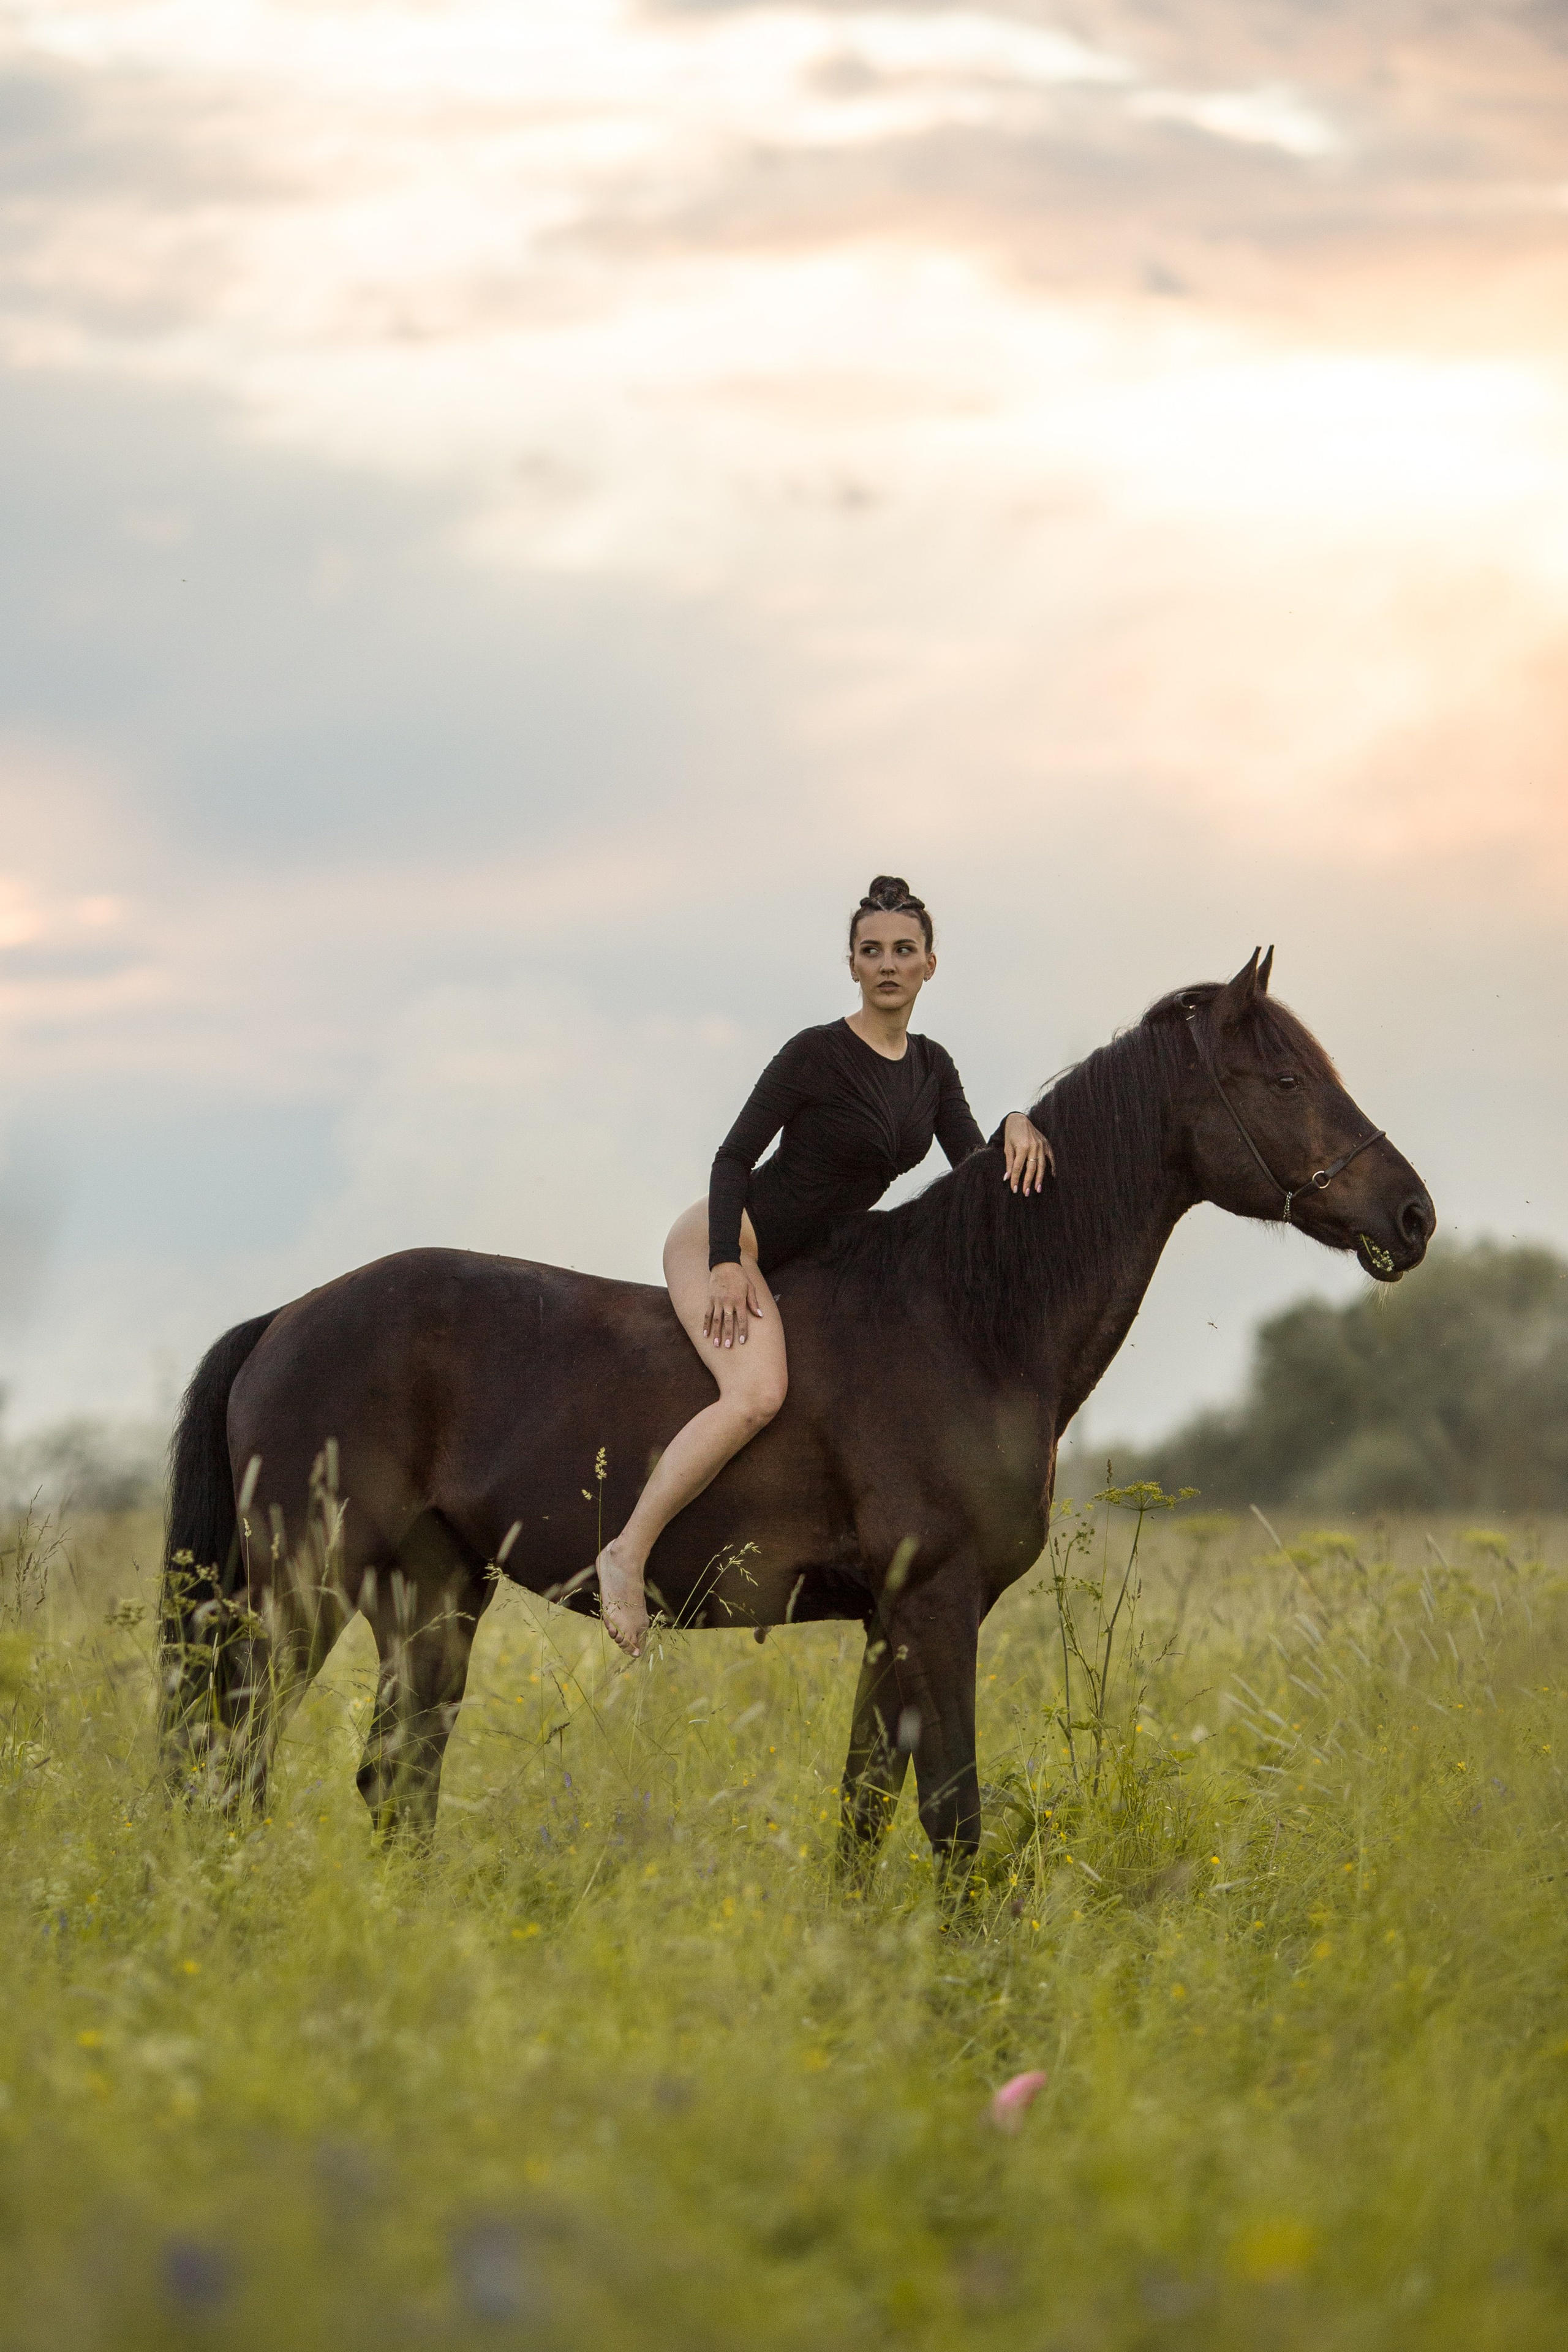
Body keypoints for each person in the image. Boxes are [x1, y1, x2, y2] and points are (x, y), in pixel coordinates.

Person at [595, 876, 1054, 1656]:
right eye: (871, 951)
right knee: (756, 1395)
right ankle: (626, 1553)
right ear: (850, 964)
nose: (887, 964)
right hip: (728, 1235)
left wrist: (1017, 1119)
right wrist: (725, 1264)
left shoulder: (932, 1068)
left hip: (814, 1263)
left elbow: (972, 1173)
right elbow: (733, 1155)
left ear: (929, 967)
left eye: (903, 951)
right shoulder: (814, 1052)